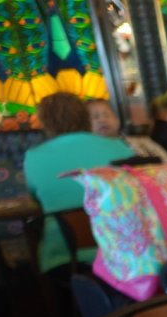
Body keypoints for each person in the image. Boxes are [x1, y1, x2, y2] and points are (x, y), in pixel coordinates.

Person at [23, 92, 135, 275]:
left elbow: (36, 198)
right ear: (85, 116)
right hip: (122, 246)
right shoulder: (118, 146)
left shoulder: (33, 157)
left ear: (45, 122)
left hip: (66, 253)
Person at [86, 98, 167, 163]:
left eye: (107, 115)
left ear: (117, 120)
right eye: (95, 117)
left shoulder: (142, 142)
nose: (102, 120)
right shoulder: (88, 150)